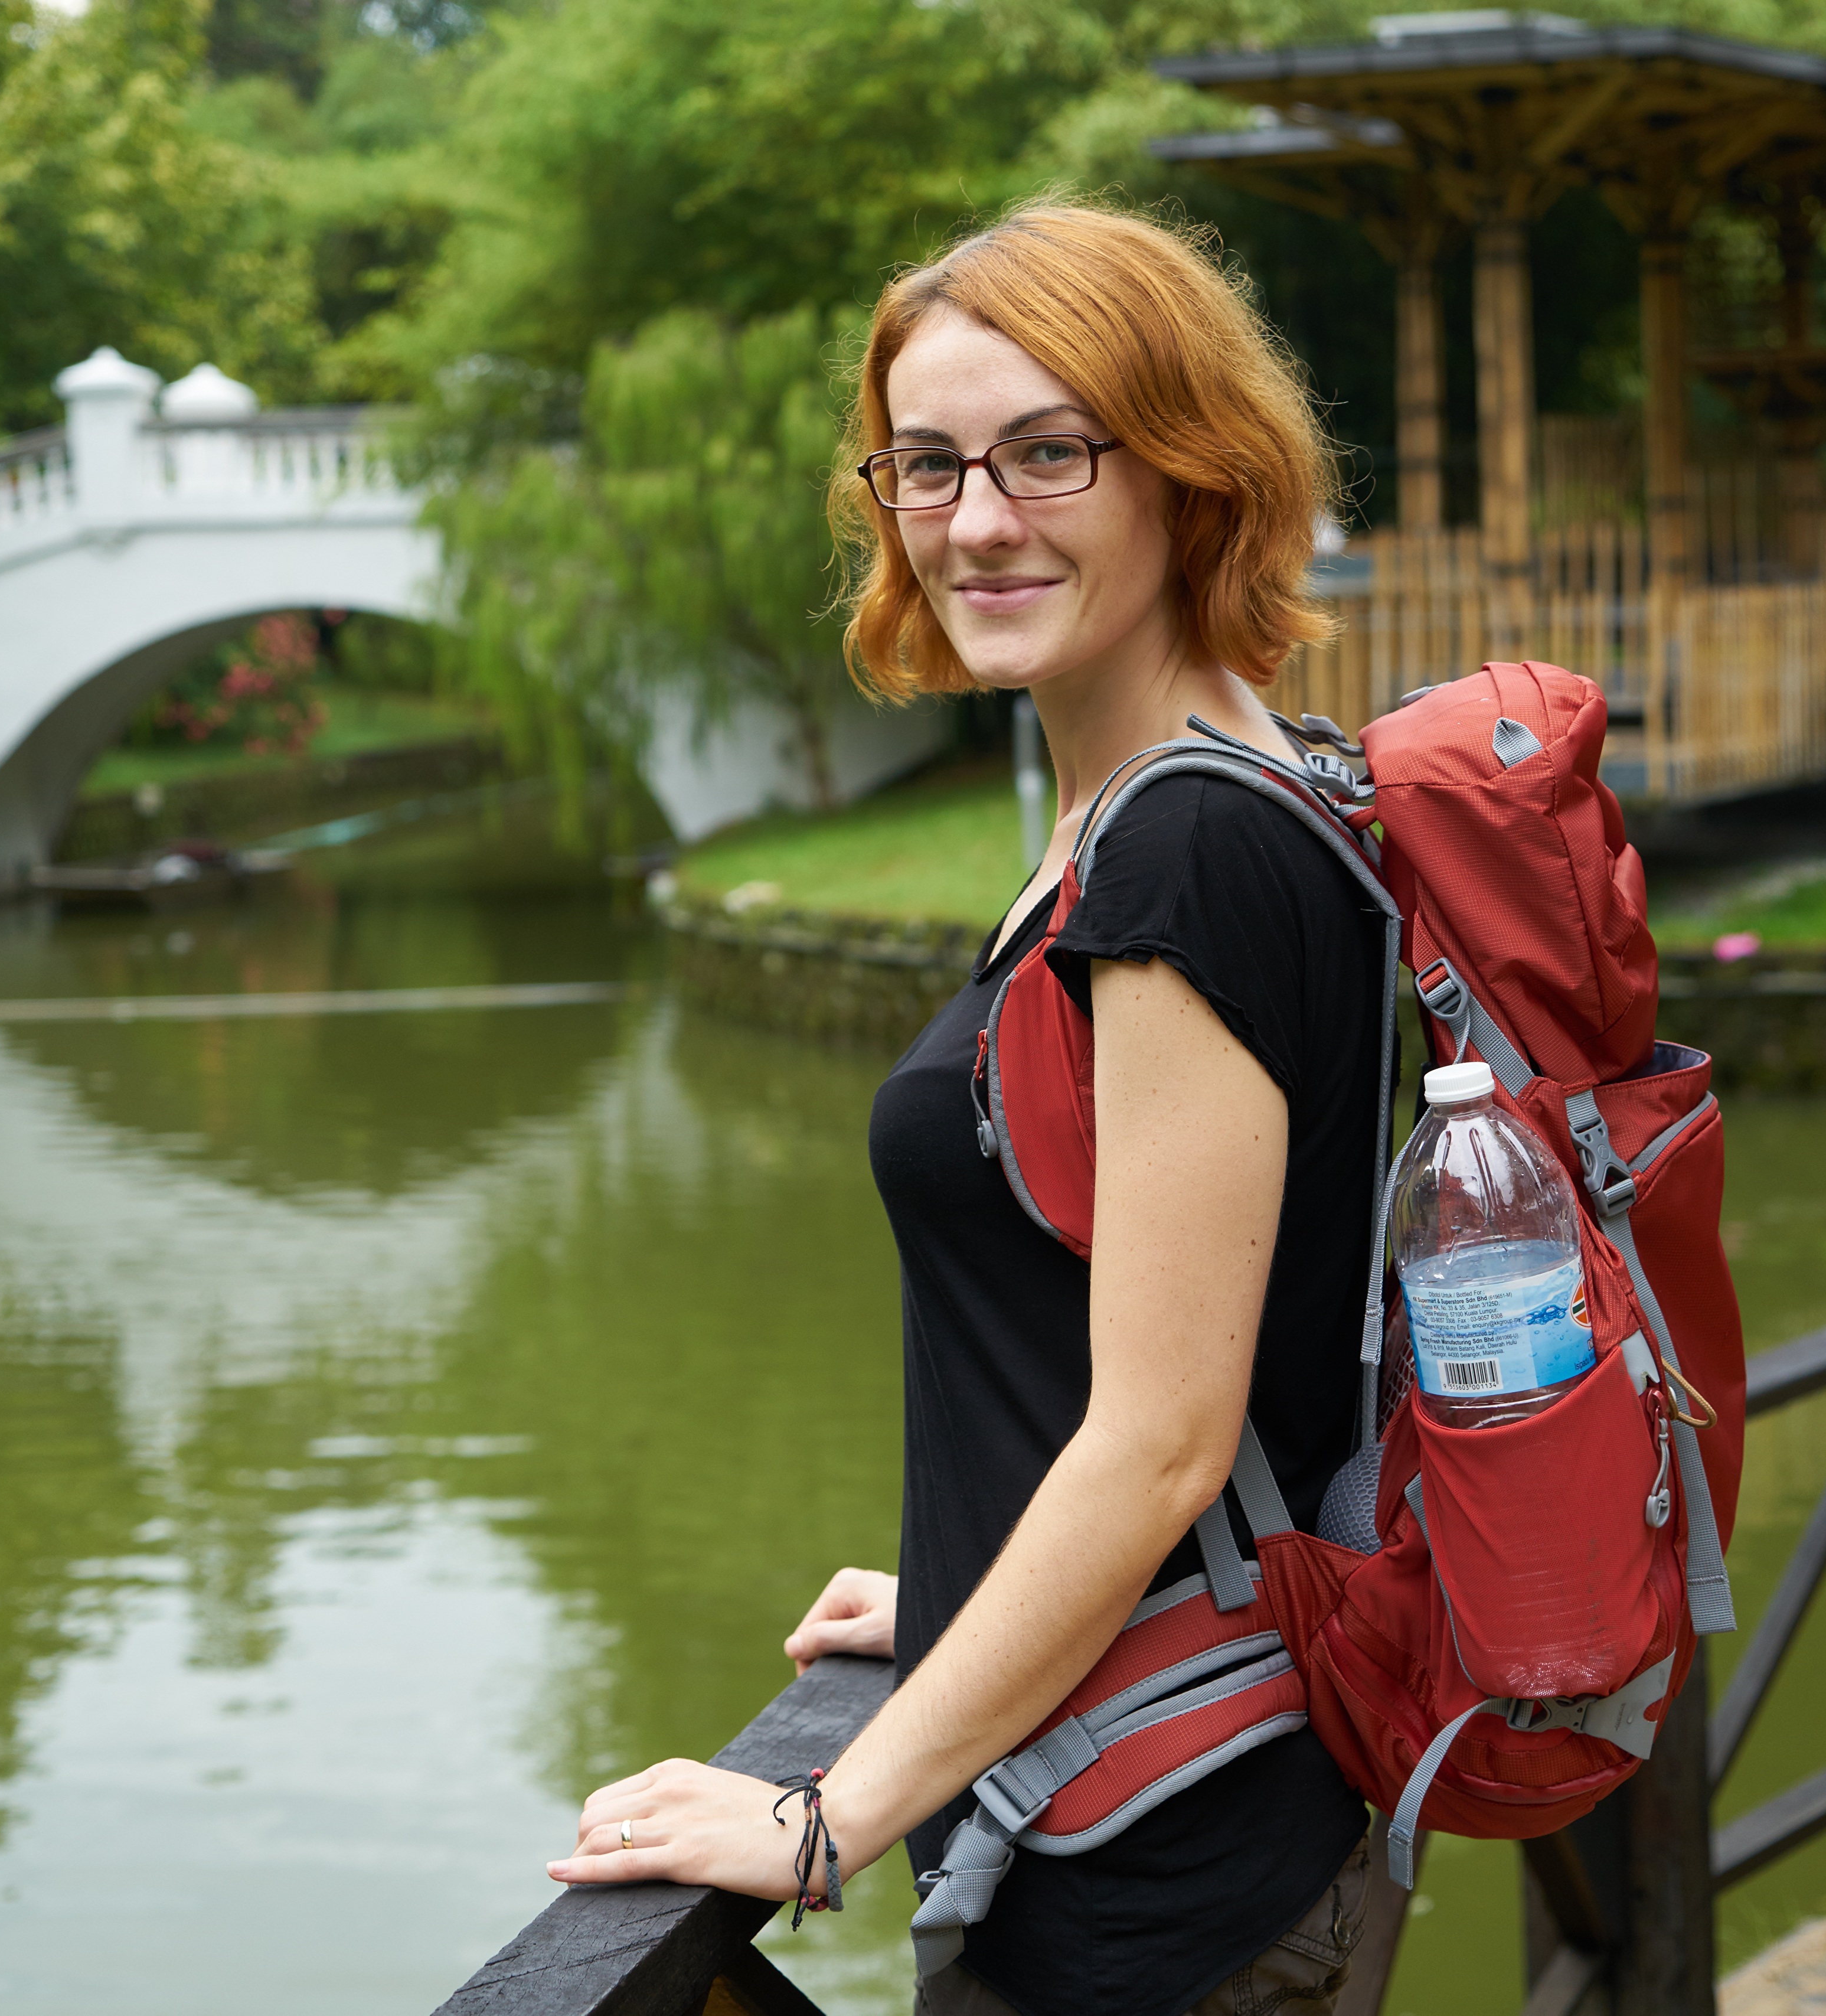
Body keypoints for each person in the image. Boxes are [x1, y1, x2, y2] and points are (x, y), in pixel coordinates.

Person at [547, 201, 1404, 2016]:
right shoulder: (1191, 801)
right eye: (926, 465)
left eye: (1051, 451)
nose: (980, 519)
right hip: (1161, 1785)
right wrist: (961, 1577)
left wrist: (822, 1819)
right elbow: (1150, 1332)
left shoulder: (1184, 845)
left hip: (1162, 1868)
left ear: (1189, 471)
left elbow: (1168, 1443)